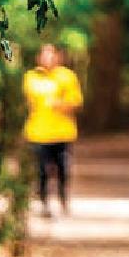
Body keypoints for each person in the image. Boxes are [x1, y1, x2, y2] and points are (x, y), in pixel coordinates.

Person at [22, 42, 83, 212]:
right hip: (38, 132)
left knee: (63, 168)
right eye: (45, 54)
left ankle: (63, 198)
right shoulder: (31, 77)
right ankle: (44, 202)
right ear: (39, 58)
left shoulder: (68, 76)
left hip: (63, 132)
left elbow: (76, 102)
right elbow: (31, 97)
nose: (48, 58)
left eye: (51, 54)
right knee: (42, 169)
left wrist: (60, 104)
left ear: (58, 56)